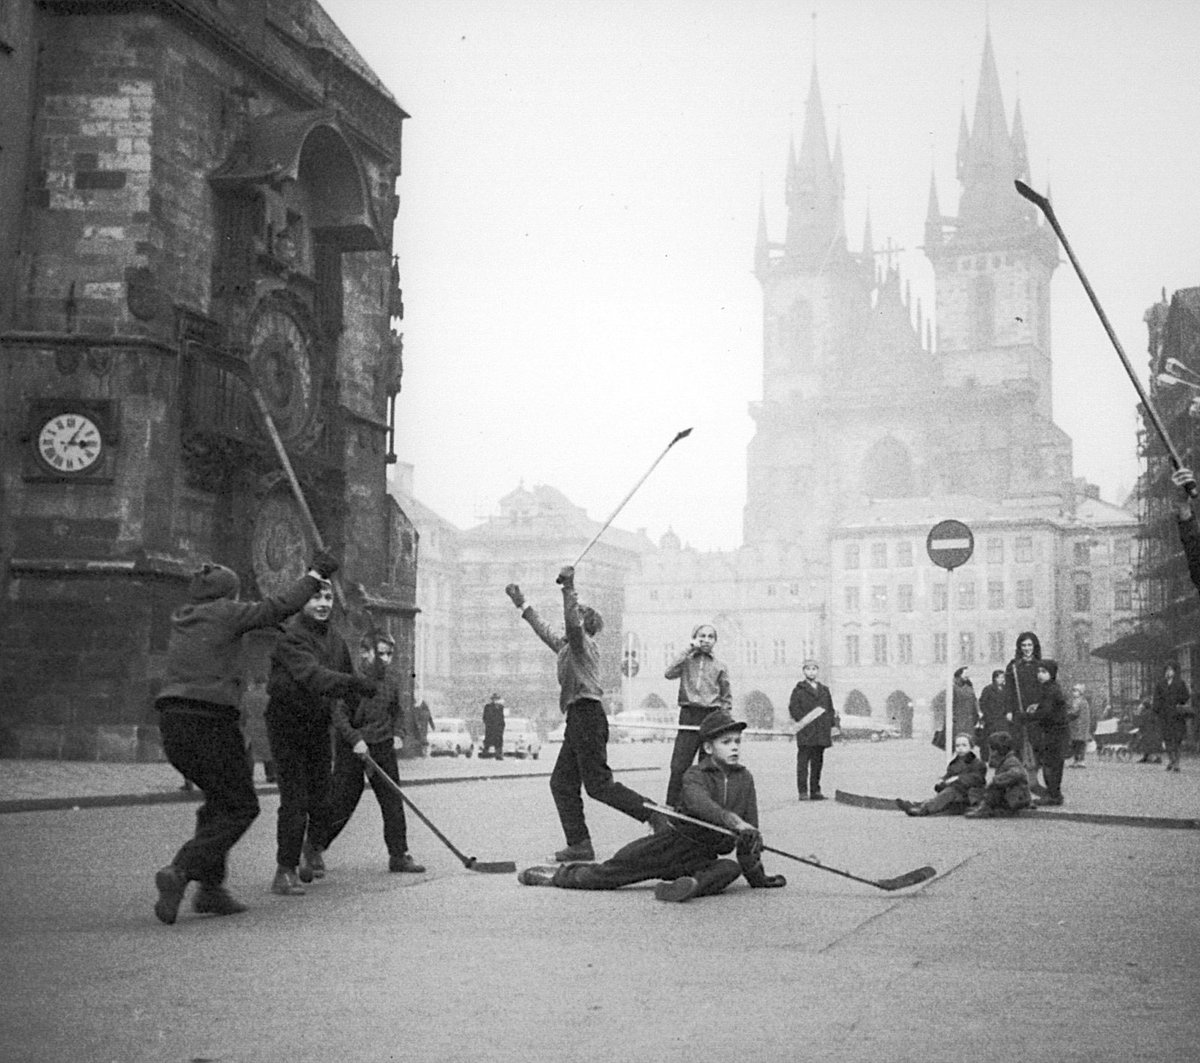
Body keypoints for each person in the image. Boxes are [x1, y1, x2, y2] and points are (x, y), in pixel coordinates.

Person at [151, 551, 337, 925]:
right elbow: (277, 608)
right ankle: (181, 869)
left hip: (173, 724)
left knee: (219, 803)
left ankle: (211, 889)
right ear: (227, 596)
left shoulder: (183, 618)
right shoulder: (226, 613)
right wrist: (315, 575)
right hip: (211, 722)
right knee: (241, 807)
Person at [516, 710, 785, 901]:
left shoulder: (745, 779)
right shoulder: (694, 775)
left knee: (729, 869)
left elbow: (750, 836)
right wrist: (734, 822)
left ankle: (687, 887)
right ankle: (554, 877)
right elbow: (700, 804)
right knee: (607, 875)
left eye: (738, 741)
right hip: (668, 846)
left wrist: (758, 876)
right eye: (726, 742)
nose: (735, 747)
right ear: (708, 748)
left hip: (700, 858)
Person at [506, 567, 657, 862]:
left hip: (587, 714)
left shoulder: (583, 645)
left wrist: (569, 586)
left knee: (599, 785)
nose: (567, 625)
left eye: (575, 618)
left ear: (583, 624)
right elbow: (542, 628)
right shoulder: (567, 648)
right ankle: (579, 844)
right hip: (578, 718)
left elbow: (571, 624)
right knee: (562, 783)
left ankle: (653, 814)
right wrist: (521, 604)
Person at [264, 577, 377, 896]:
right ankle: (284, 871)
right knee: (295, 799)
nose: (324, 604)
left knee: (323, 795)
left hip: (317, 722)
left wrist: (358, 704)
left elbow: (344, 680)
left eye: (328, 597)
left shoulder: (336, 640)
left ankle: (311, 848)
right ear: (302, 602)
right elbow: (313, 676)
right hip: (286, 722)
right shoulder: (290, 637)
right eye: (316, 598)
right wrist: (354, 684)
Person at [313, 633, 425, 874]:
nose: (385, 659)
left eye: (389, 654)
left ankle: (399, 855)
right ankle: (314, 849)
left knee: (392, 801)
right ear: (365, 653)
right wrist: (356, 740)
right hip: (353, 747)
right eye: (380, 653)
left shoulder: (392, 680)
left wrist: (398, 733)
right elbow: (339, 716)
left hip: (382, 744)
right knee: (342, 801)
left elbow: (397, 711)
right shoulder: (351, 681)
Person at [662, 623, 731, 807]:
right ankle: (672, 806)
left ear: (715, 641)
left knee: (707, 766)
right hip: (689, 714)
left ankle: (705, 808)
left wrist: (724, 721)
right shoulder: (687, 661)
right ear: (695, 638)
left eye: (710, 636)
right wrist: (688, 650)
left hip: (711, 716)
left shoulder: (720, 666)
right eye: (702, 636)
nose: (706, 640)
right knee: (679, 765)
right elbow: (668, 673)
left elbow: (726, 697)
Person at [895, 733, 987, 816]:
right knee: (944, 795)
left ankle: (923, 810)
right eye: (957, 746)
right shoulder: (954, 763)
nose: (960, 748)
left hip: (969, 796)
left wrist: (958, 778)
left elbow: (978, 779)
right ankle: (915, 805)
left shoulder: (978, 763)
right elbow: (949, 776)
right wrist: (943, 782)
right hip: (956, 793)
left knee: (949, 792)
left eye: (964, 745)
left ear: (971, 747)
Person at [788, 659, 835, 800]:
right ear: (804, 671)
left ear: (818, 671)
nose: (811, 672)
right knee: (803, 763)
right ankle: (803, 792)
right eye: (808, 669)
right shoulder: (798, 690)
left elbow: (830, 709)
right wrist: (804, 721)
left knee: (817, 763)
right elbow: (793, 708)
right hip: (806, 732)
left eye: (814, 669)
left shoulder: (824, 690)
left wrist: (832, 725)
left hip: (821, 732)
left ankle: (815, 791)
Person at [1024, 659, 1069, 806]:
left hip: (1054, 733)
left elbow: (1046, 712)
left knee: (1051, 765)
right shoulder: (1050, 688)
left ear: (1052, 673)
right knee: (1053, 764)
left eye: (1044, 672)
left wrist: (1027, 716)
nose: (1040, 675)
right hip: (1055, 731)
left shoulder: (1050, 689)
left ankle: (1053, 795)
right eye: (1038, 671)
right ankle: (1054, 793)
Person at [964, 730, 1032, 818]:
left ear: (996, 750)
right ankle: (981, 806)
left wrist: (996, 780)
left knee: (995, 788)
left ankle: (984, 809)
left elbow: (1017, 773)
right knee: (976, 790)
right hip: (1012, 796)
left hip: (1017, 797)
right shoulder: (1004, 761)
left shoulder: (1011, 761)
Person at [1004, 631, 1043, 780]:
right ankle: (1021, 775)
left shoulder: (1040, 665)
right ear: (1019, 647)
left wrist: (1039, 705)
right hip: (1018, 708)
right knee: (1019, 742)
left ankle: (1034, 774)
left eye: (1029, 645)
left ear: (1034, 646)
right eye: (1024, 645)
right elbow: (1009, 690)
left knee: (1036, 741)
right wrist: (1008, 710)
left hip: (1035, 710)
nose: (1027, 648)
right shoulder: (1013, 666)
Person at [1152, 660, 1191, 773]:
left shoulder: (1180, 683)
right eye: (1167, 669)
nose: (1169, 672)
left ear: (1175, 671)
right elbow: (1156, 699)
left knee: (1177, 740)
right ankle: (1171, 760)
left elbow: (1186, 696)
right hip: (1164, 716)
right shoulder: (1160, 684)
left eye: (1171, 669)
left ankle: (1177, 763)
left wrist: (1179, 701)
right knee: (1167, 740)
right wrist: (1157, 710)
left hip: (1177, 716)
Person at [931, 667, 979, 751]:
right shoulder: (952, 688)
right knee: (958, 742)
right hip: (957, 720)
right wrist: (950, 716)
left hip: (968, 720)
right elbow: (940, 702)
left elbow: (973, 703)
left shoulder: (969, 688)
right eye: (965, 673)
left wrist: (976, 716)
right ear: (959, 675)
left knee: (968, 742)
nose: (967, 676)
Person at [978, 670, 1009, 761]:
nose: (1002, 679)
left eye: (1003, 677)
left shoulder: (1006, 689)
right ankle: (989, 758)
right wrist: (988, 715)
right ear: (994, 678)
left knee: (1002, 739)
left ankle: (1001, 758)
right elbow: (982, 703)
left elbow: (1009, 702)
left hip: (1002, 719)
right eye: (999, 677)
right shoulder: (988, 689)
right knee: (990, 739)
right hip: (991, 719)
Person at [1066, 682, 1093, 768]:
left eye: (1075, 690)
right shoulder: (1083, 701)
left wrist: (1066, 714)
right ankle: (1079, 760)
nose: (1073, 692)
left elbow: (1074, 712)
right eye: (1073, 690)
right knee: (1080, 744)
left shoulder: (1078, 701)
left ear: (1080, 692)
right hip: (1081, 726)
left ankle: (1079, 760)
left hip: (1078, 726)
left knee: (1077, 744)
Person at [1133, 697, 1163, 764]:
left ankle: (1154, 758)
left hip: (1149, 732)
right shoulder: (1151, 713)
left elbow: (1141, 723)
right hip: (1151, 731)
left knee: (1149, 744)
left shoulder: (1146, 713)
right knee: (1149, 744)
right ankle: (1147, 757)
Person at [481, 692, 506, 759]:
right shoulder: (488, 707)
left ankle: (498, 754)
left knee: (498, 742)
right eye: (494, 699)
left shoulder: (501, 707)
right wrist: (488, 724)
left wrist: (501, 727)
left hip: (498, 729)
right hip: (490, 728)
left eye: (496, 699)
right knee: (488, 741)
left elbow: (501, 718)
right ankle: (485, 753)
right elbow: (485, 717)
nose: (495, 700)